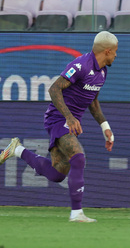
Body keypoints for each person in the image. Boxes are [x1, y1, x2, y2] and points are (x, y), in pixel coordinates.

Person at [0, 31, 118, 223]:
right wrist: (69, 118)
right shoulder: (80, 65)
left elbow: (93, 102)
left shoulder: (103, 72)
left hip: (68, 120)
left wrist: (105, 126)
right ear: (107, 51)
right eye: (114, 52)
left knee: (57, 174)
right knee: (78, 158)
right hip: (58, 118)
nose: (115, 56)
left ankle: (17, 149)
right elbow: (54, 88)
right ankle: (76, 213)